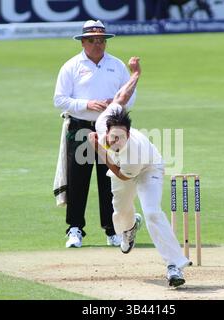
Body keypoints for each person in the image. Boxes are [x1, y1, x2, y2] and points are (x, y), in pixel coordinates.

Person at [88, 57, 190, 287]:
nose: (116, 141)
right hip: (121, 169)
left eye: (121, 137)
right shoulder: (103, 121)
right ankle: (130, 226)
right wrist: (135, 75)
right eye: (113, 137)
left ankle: (174, 265)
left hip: (147, 167)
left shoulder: (132, 151)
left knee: (153, 212)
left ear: (129, 133)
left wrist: (99, 151)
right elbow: (120, 98)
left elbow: (124, 175)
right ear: (106, 129)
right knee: (120, 212)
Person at [53, 20, 136, 248]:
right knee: (78, 179)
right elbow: (59, 100)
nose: (98, 44)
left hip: (110, 129)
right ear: (83, 42)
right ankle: (75, 229)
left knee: (109, 179)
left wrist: (114, 105)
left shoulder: (117, 65)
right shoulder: (71, 66)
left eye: (101, 40)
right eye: (92, 40)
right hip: (80, 127)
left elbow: (132, 96)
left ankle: (112, 229)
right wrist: (88, 103)